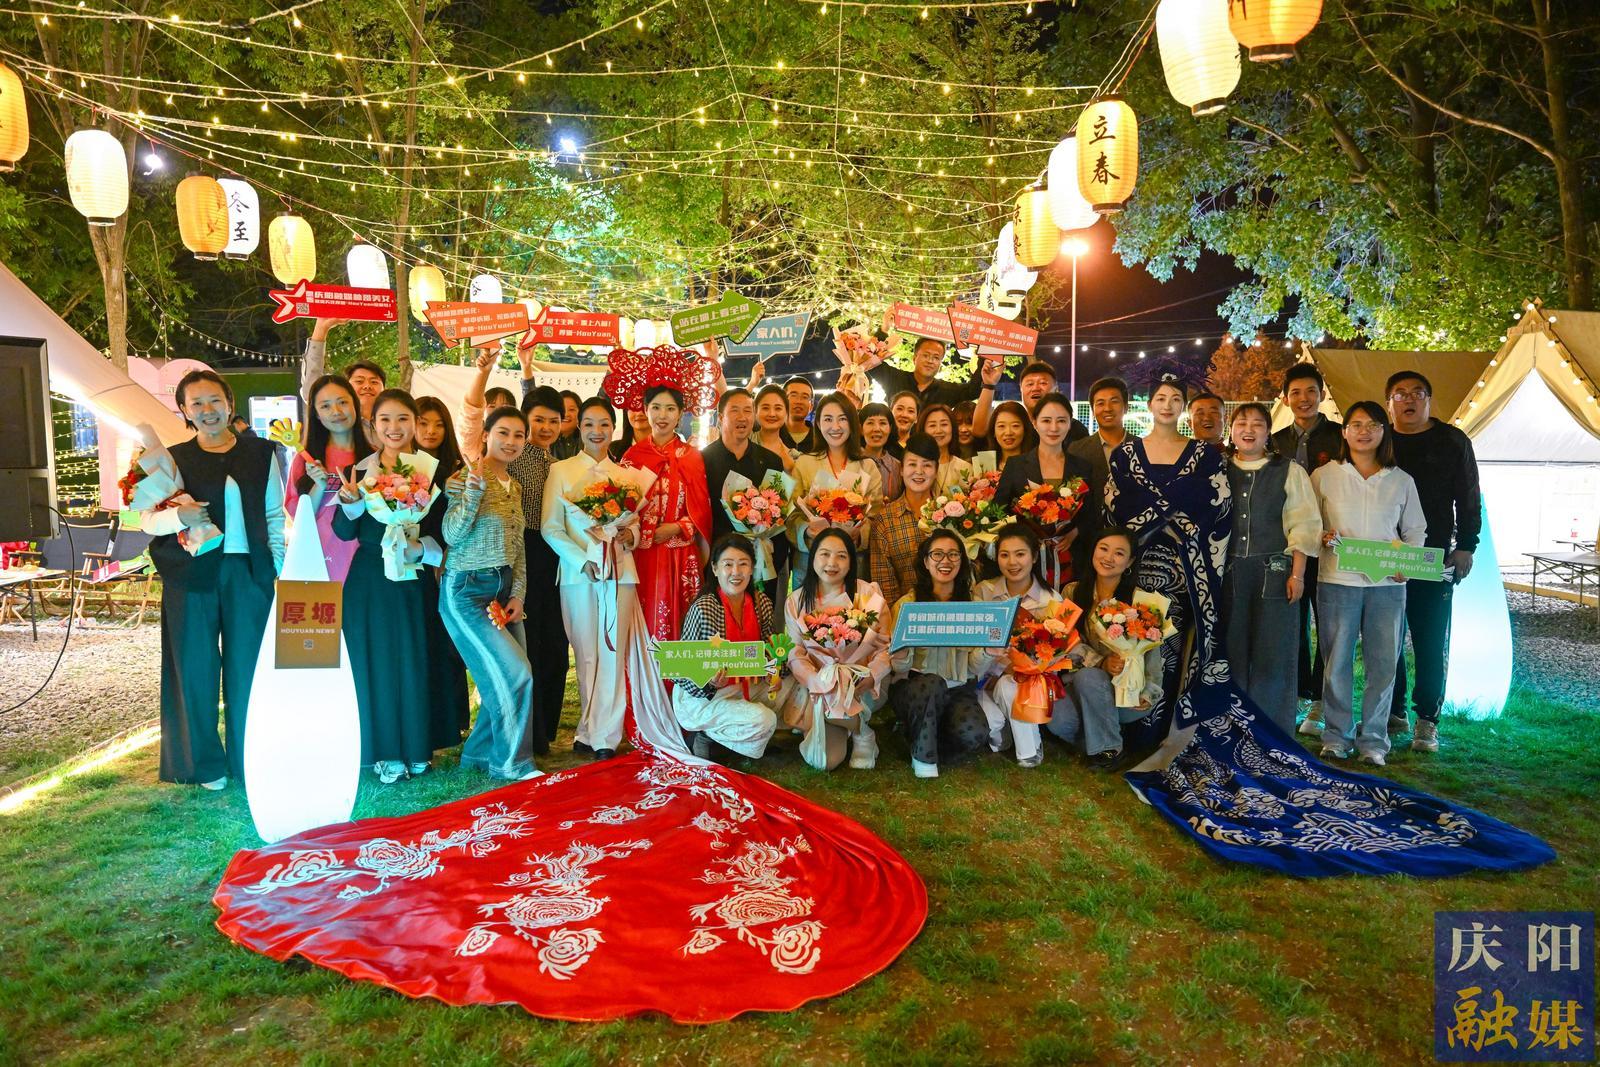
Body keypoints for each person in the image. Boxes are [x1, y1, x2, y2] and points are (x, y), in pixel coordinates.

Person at [145, 369, 284, 789]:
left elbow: (274, 515)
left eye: (214, 401)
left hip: (249, 573)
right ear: (185, 411)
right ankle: (203, 764)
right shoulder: (171, 459)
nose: (207, 410)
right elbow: (146, 520)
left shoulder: (262, 452)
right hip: (191, 574)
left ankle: (250, 757)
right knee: (195, 668)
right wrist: (179, 516)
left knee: (250, 668)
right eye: (197, 403)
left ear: (229, 404)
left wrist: (277, 569)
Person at [1104, 374, 1231, 769]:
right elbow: (1114, 505)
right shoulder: (1125, 454)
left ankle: (1161, 729)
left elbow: (1216, 506)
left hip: (1183, 568)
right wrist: (1165, 514)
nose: (1168, 404)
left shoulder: (1205, 455)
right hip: (1137, 566)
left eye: (1176, 399)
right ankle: (1125, 727)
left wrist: (1174, 522)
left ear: (1183, 408)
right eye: (1161, 397)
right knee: (1130, 639)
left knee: (1171, 648)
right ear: (1149, 404)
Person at [1311, 401, 1427, 767]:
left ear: (1384, 432)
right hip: (1336, 581)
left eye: (1373, 425)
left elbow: (1416, 531)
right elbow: (1307, 523)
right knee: (1336, 663)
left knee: (1383, 665)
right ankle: (1336, 737)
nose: (1364, 432)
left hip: (1387, 587)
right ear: (1344, 432)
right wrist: (1320, 536)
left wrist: (1406, 563)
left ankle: (1374, 741)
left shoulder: (1400, 480)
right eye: (1356, 424)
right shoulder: (1324, 476)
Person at [333, 389, 439, 783]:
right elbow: (344, 532)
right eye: (385, 420)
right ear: (373, 425)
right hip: (369, 581)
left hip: (412, 577)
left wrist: (420, 549)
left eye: (403, 419)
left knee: (413, 659)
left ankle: (417, 748)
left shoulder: (430, 470)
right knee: (374, 663)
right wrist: (349, 500)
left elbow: (443, 530)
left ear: (415, 423)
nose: (394, 428)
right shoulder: (359, 472)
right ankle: (384, 752)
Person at [439, 408, 542, 781]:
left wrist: (519, 595)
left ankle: (479, 754)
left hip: (503, 591)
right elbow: (451, 534)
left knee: (501, 676)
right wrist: (473, 490)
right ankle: (512, 763)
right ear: (485, 435)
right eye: (503, 432)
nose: (511, 441)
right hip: (466, 591)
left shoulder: (515, 486)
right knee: (516, 674)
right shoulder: (464, 478)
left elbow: (519, 548)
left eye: (519, 435)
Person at [1386, 371, 1481, 753]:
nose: (1408, 399)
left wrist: (1467, 545)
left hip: (1434, 557)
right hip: (1384, 556)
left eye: (1417, 393)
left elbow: (1469, 496)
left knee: (1428, 641)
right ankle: (1393, 712)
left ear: (1428, 399)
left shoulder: (1452, 441)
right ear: (1389, 403)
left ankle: (1427, 720)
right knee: (1385, 639)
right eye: (1400, 394)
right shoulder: (1379, 439)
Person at [542, 397, 641, 761]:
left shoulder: (628, 475)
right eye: (589, 424)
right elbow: (551, 527)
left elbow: (636, 527)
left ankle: (606, 737)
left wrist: (631, 535)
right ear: (579, 428)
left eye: (604, 424)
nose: (597, 431)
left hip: (621, 574)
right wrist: (583, 560)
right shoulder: (561, 471)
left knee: (613, 652)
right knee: (586, 653)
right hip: (578, 575)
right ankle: (587, 728)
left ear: (613, 428)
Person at [1223, 403, 1319, 732]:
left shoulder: (1288, 470)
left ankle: (1272, 731)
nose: (1248, 429)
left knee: (1274, 651)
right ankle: (1231, 727)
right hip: (1228, 574)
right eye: (1241, 423)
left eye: (1257, 424)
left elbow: (1304, 524)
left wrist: (1297, 574)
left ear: (1268, 432)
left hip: (1275, 573)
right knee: (1231, 649)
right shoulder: (1219, 469)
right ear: (1231, 430)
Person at [882, 530, 993, 778]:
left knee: (975, 733)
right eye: (937, 554)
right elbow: (899, 669)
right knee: (932, 684)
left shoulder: (974, 607)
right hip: (916, 689)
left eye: (953, 554)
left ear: (962, 561)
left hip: (957, 690)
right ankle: (923, 758)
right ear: (925, 561)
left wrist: (988, 651)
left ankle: (920, 738)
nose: (946, 561)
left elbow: (974, 668)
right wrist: (900, 653)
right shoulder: (907, 605)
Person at [1055, 527, 1167, 770]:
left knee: (1088, 677)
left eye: (1118, 553)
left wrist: (1148, 693)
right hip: (1082, 687)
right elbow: (1065, 643)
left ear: (1130, 562)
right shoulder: (1072, 592)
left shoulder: (1141, 601)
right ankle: (1098, 740)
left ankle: (1110, 752)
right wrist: (1102, 662)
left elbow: (1154, 655)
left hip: (1127, 693)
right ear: (1093, 551)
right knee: (1056, 717)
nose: (1108, 558)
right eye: (1103, 549)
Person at [779, 528, 891, 770]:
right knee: (826, 762)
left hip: (860, 683)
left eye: (841, 556)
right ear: (813, 558)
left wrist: (873, 675)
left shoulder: (867, 595)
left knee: (839, 704)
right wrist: (815, 680)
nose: (832, 563)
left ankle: (860, 733)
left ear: (851, 561)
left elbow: (884, 647)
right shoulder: (796, 601)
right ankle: (856, 727)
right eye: (825, 554)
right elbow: (795, 652)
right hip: (818, 686)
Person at [1272, 363, 1343, 736]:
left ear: (1322, 395)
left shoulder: (1341, 438)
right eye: (1295, 392)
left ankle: (1320, 699)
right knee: (1292, 623)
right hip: (1289, 548)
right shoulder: (1274, 441)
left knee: (1329, 625)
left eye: (1311, 391)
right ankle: (1297, 693)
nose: (1304, 399)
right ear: (1285, 399)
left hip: (1331, 547)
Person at [671, 534, 783, 761]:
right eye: (728, 564)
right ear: (715, 569)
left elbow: (769, 649)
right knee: (765, 720)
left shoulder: (761, 603)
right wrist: (709, 682)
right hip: (703, 697)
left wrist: (774, 671)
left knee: (796, 687)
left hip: (744, 685)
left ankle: (729, 738)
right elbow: (681, 671)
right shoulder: (704, 608)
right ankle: (706, 735)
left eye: (743, 564)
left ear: (752, 569)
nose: (736, 572)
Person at [625, 385, 713, 643]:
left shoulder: (692, 457)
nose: (662, 415)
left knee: (684, 623)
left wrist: (676, 527)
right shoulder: (632, 456)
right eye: (656, 407)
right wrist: (644, 532)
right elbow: (622, 509)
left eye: (670, 408)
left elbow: (702, 510)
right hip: (643, 553)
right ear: (645, 410)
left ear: (680, 414)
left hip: (681, 553)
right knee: (643, 620)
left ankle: (681, 670)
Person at [508, 386, 568, 753]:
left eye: (554, 420)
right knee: (529, 644)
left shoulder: (558, 462)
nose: (546, 427)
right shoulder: (514, 460)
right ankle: (530, 731)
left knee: (556, 645)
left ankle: (546, 730)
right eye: (539, 420)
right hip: (525, 552)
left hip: (556, 556)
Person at [974, 523, 1060, 767]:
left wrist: (1017, 670)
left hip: (1030, 686)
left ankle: (1029, 753)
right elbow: (975, 643)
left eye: (1020, 554)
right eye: (1004, 555)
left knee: (1008, 686)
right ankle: (1007, 732)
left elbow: (1056, 655)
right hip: (984, 680)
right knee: (992, 724)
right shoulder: (984, 592)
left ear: (1034, 556)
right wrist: (998, 669)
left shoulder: (1051, 600)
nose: (1012, 562)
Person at [413, 395, 471, 749]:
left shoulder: (456, 467)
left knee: (450, 644)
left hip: (450, 564)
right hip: (416, 563)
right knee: (423, 641)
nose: (431, 431)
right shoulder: (404, 466)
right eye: (423, 423)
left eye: (438, 424)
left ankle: (455, 719)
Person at [995, 393, 1096, 589]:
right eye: (1046, 420)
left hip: (1071, 559)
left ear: (1070, 424)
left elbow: (1091, 514)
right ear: (1034, 423)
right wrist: (1025, 537)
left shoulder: (1082, 467)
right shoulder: (1016, 465)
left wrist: (1074, 533)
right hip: (1025, 562)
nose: (1054, 428)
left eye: (1061, 421)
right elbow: (999, 512)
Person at [789, 393, 884, 575]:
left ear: (852, 423)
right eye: (828, 419)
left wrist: (860, 534)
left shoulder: (867, 466)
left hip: (852, 561)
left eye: (842, 419)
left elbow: (876, 517)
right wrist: (807, 531)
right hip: (811, 562)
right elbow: (791, 517)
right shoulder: (804, 463)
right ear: (818, 424)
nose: (835, 427)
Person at [287, 374, 369, 583]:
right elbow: (299, 516)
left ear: (355, 404)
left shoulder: (375, 458)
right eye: (325, 406)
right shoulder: (305, 460)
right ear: (316, 413)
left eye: (343, 402)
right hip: (319, 562)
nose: (336, 412)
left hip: (365, 561)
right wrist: (319, 486)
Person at [869, 432, 940, 607]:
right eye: (912, 464)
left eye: (927, 465)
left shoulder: (954, 513)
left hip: (950, 611)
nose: (919, 471)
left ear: (936, 470)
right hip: (903, 613)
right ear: (901, 470)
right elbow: (884, 586)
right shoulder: (885, 520)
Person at [1068, 376, 1129, 549]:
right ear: (1093, 409)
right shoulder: (1076, 449)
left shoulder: (1144, 448)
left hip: (1131, 540)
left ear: (1126, 407)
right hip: (1088, 542)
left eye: (1114, 401)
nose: (1107, 408)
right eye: (1100, 403)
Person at [867, 336, 990, 409]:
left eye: (936, 357)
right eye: (926, 355)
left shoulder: (947, 390)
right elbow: (870, 363)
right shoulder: (896, 378)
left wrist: (983, 355)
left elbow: (973, 391)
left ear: (940, 363)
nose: (930, 361)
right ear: (914, 358)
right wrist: (884, 329)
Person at [917, 403, 973, 492]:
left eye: (944, 424)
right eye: (932, 425)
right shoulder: (915, 465)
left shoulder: (964, 468)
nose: (938, 430)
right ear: (923, 430)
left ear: (953, 428)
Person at [858, 402, 904, 502]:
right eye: (870, 423)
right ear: (861, 429)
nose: (876, 429)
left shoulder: (898, 467)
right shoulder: (852, 461)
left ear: (890, 428)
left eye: (882, 423)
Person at [980, 399, 1037, 471]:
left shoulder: (1037, 464)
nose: (1008, 432)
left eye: (1015, 426)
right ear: (993, 431)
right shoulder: (984, 464)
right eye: (1001, 426)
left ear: (1025, 429)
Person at [753, 383, 798, 473]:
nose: (772, 414)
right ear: (755, 411)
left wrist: (791, 471)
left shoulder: (795, 457)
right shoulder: (744, 441)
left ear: (786, 413)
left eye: (778, 408)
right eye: (765, 408)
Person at [781, 376, 821, 452]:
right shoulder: (772, 434)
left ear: (811, 406)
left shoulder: (820, 438)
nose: (799, 401)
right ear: (782, 401)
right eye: (793, 395)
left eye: (805, 397)